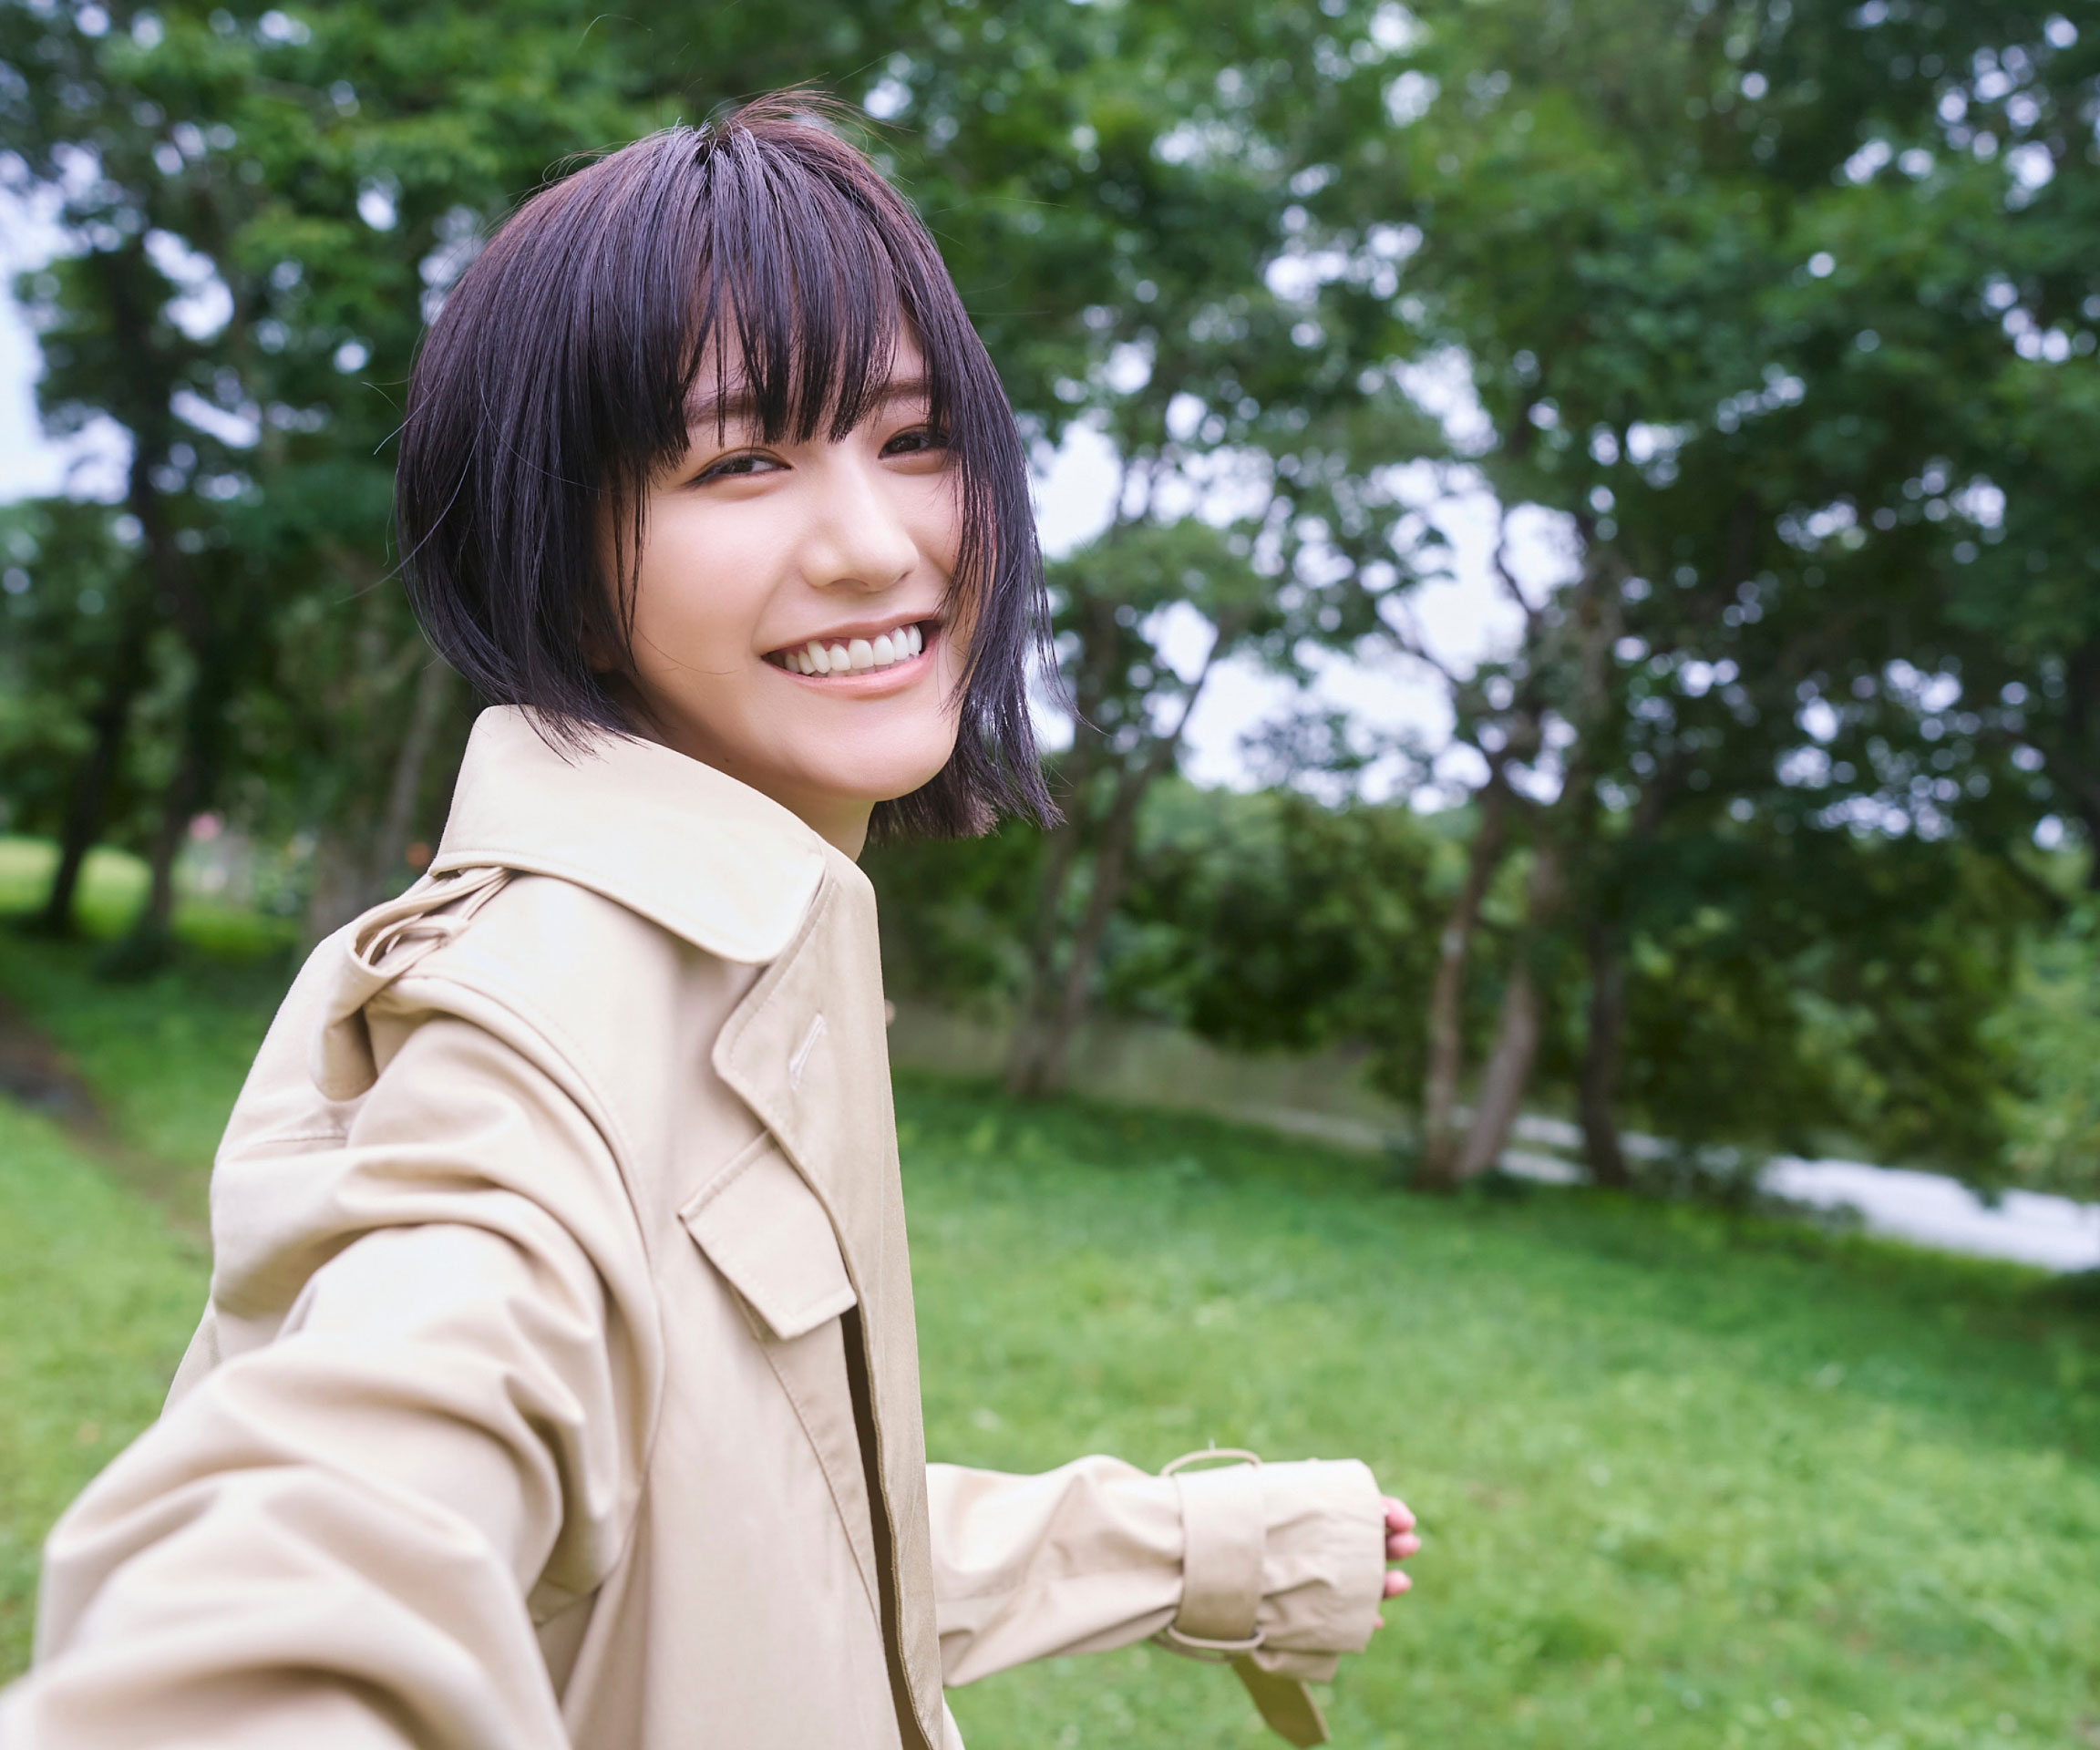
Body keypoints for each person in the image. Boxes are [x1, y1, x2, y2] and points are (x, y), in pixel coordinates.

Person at [0, 97, 1418, 1750]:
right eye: (741, 461)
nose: (876, 547)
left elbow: (752, 1550)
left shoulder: (752, 943)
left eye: (914, 439)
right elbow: (369, 1486)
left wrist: (1200, 1549)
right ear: (562, 562)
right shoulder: (540, 1008)